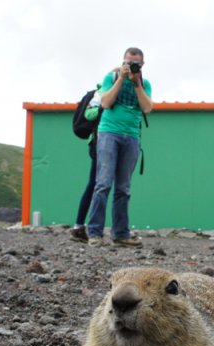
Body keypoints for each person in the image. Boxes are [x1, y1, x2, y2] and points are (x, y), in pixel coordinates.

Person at [86, 47, 152, 247]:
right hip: (109, 134)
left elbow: (147, 107)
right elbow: (105, 103)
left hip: (131, 137)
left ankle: (121, 234)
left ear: (142, 65)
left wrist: (136, 83)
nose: (131, 66)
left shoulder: (145, 84)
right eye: (128, 62)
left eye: (135, 64)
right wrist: (121, 79)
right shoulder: (111, 78)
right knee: (103, 184)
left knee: (123, 188)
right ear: (122, 62)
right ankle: (95, 233)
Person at [70, 86, 102, 243]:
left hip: (95, 142)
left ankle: (79, 226)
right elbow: (90, 114)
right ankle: (90, 228)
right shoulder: (102, 93)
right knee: (99, 185)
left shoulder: (99, 92)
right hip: (100, 142)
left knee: (93, 184)